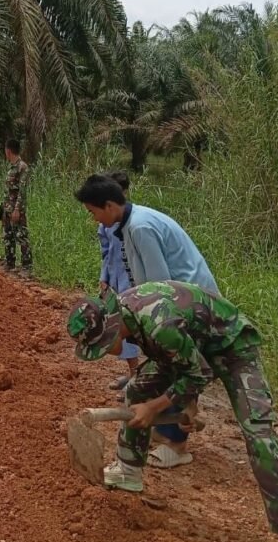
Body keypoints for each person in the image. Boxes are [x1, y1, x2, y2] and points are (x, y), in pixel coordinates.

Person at [67, 284, 278, 542]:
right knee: (138, 388)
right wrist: (188, 406)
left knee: (259, 433)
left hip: (232, 347)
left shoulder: (158, 324)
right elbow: (184, 359)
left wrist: (154, 408)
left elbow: (197, 373)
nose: (102, 352)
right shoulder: (127, 316)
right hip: (194, 348)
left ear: (111, 329)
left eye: (101, 346)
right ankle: (128, 470)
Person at [75, 173, 218, 468]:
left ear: (110, 205)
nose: (94, 220)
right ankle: (163, 426)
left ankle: (176, 445)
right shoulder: (128, 224)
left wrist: (141, 319)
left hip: (188, 306)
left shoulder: (140, 228)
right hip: (176, 303)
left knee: (175, 365)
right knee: (158, 369)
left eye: (93, 212)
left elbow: (159, 283)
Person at [97, 171, 138, 395]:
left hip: (133, 281)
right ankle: (133, 372)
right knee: (121, 325)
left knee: (134, 326)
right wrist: (104, 277)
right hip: (115, 278)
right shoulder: (105, 222)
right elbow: (106, 251)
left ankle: (137, 377)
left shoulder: (132, 221)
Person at [0, 139, 32, 275]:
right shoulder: (11, 167)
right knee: (8, 236)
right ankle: (10, 262)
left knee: (21, 236)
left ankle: (27, 267)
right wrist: (2, 209)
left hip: (16, 209)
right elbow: (8, 191)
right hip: (7, 208)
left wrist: (17, 209)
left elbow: (22, 192)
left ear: (8, 151)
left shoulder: (22, 167)